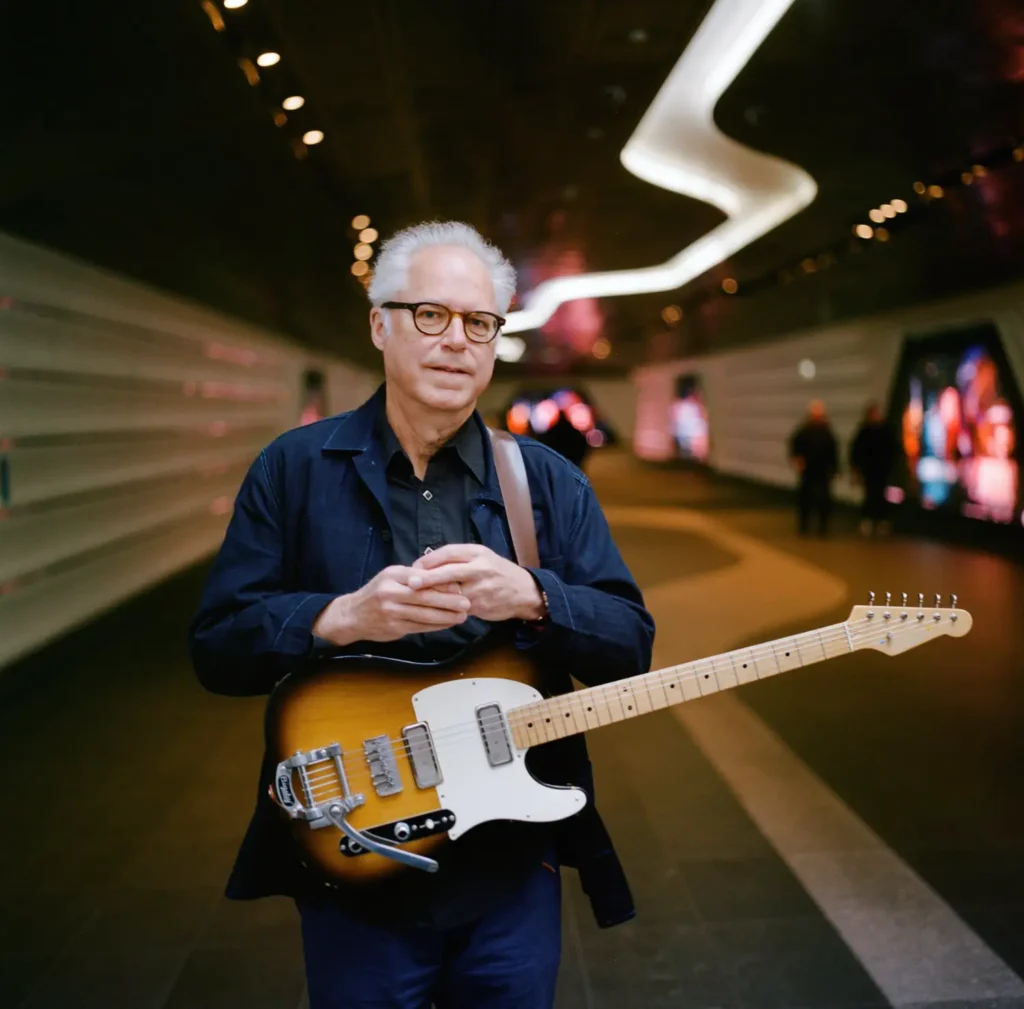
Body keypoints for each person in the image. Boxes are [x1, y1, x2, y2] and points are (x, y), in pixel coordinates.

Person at [188, 221, 655, 1009]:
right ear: (380, 324)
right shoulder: (294, 471)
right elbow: (218, 648)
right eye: (429, 315)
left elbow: (630, 642)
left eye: (479, 323)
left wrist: (535, 597)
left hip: (510, 861)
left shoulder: (546, 483)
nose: (457, 342)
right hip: (360, 857)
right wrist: (340, 615)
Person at [788, 399, 839, 536]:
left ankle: (821, 526)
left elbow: (832, 451)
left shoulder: (824, 432)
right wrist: (798, 460)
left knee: (822, 499)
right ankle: (805, 526)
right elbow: (795, 448)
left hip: (821, 470)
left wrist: (834, 468)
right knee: (806, 498)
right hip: (809, 469)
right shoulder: (807, 431)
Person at [849, 402, 896, 536]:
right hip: (871, 470)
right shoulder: (867, 431)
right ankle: (869, 520)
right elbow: (857, 452)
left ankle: (879, 520)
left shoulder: (883, 431)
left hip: (881, 470)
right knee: (871, 494)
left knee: (880, 495)